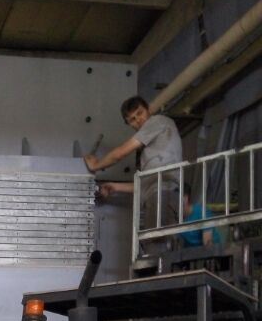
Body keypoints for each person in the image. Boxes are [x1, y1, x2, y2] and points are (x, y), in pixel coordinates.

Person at [84, 96, 182, 230]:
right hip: (158, 193)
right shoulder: (151, 152)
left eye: (140, 113)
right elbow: (146, 184)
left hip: (164, 192)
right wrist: (115, 187)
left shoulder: (158, 121)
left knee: (157, 244)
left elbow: (121, 153)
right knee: (156, 244)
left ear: (148, 109)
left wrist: (96, 165)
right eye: (132, 120)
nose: (138, 121)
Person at [181, 183, 221, 247]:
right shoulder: (175, 217)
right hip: (189, 254)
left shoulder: (202, 213)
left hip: (212, 253)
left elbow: (208, 244)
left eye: (175, 198)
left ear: (185, 199)